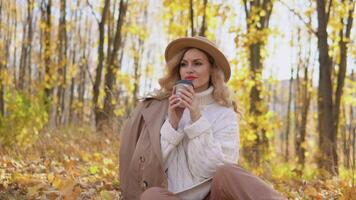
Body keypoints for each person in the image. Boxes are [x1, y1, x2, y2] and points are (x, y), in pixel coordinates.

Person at [119, 36, 285, 200]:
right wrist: (173, 124)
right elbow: (151, 167)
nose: (189, 69)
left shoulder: (225, 113)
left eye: (197, 63)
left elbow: (212, 171)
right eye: (184, 64)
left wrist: (196, 118)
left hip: (212, 196)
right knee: (151, 196)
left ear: (212, 69)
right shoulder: (162, 107)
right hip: (170, 196)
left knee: (228, 172)